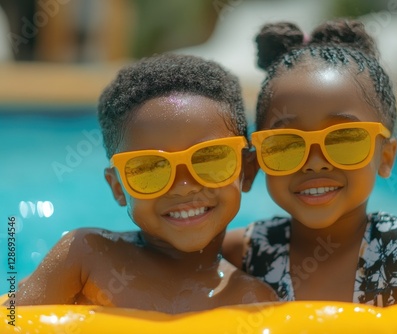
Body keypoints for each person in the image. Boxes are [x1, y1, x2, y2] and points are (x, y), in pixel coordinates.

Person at [11, 53, 278, 313]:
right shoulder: (85, 258)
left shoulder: (251, 301)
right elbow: (12, 322)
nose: (184, 186)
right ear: (118, 187)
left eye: (209, 159)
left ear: (248, 170)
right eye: (150, 168)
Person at [223, 20, 397, 306]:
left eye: (344, 139)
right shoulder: (243, 255)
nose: (314, 163)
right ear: (260, 157)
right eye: (286, 143)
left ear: (386, 157)